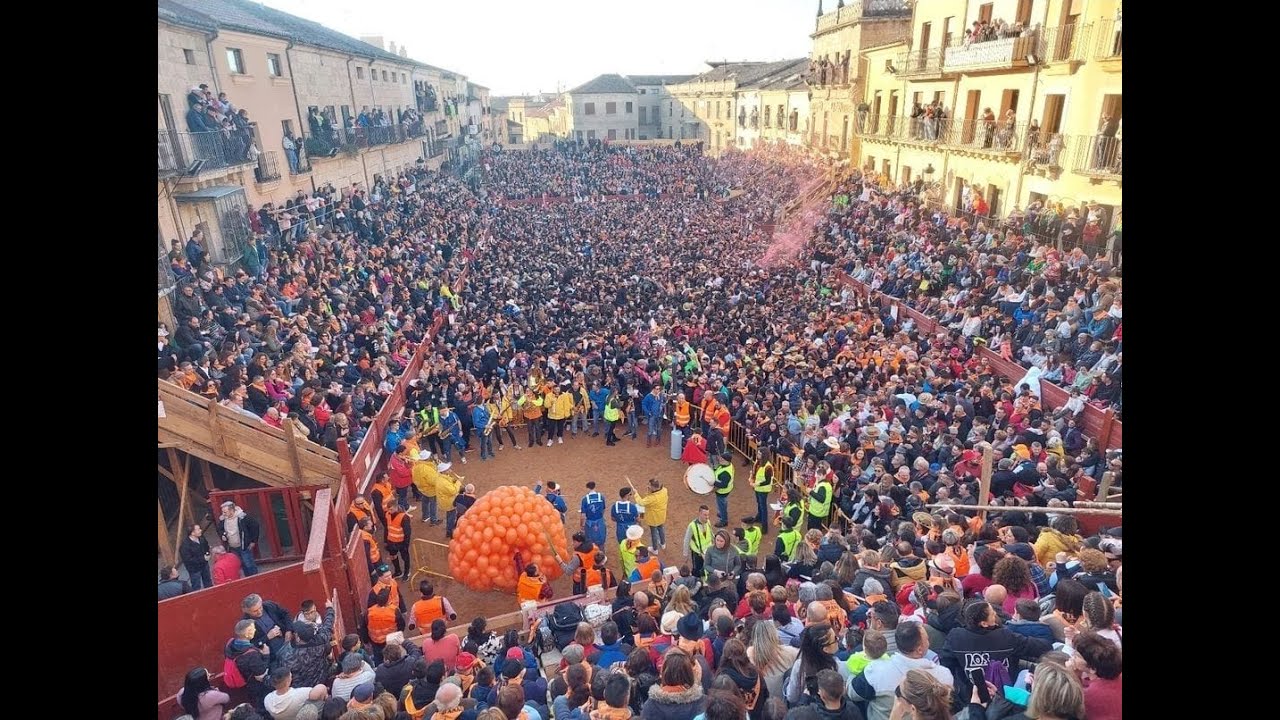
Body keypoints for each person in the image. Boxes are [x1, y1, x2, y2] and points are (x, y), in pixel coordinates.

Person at [848, 622, 950, 720]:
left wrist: (853, 669)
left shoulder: (875, 671)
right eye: (927, 639)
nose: (929, 642)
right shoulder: (945, 675)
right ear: (919, 650)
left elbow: (852, 693)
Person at [1068, 630, 1122, 720]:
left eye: (1076, 655)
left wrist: (1072, 677)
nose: (1072, 657)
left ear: (1092, 668)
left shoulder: (1088, 695)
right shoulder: (1117, 676)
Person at [641, 649, 706, 720]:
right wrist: (697, 683)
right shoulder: (702, 703)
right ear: (689, 674)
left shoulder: (651, 705)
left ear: (664, 673)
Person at [285, 599, 337, 688]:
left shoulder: (290, 654)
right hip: (320, 678)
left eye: (312, 612)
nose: (310, 615)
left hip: (304, 685)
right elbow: (327, 627)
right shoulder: (320, 644)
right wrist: (330, 609)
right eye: (307, 614)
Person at [263, 666, 328, 720]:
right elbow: (318, 691)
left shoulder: (267, 700)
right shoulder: (302, 694)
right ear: (287, 682)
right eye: (291, 677)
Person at [219, 501, 261, 576]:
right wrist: (222, 535)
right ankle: (248, 579)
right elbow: (220, 529)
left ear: (231, 510)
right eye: (222, 512)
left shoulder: (242, 518)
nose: (223, 514)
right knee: (241, 564)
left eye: (225, 512)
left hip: (243, 546)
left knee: (249, 565)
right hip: (232, 547)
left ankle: (255, 578)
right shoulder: (223, 520)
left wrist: (253, 541)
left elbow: (255, 526)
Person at [636, 478, 670, 551]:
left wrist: (636, 494)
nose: (648, 486)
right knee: (661, 528)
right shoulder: (664, 490)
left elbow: (641, 502)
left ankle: (655, 549)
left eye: (649, 485)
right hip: (661, 515)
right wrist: (650, 491)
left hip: (653, 518)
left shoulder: (651, 498)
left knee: (654, 533)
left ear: (653, 487)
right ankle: (663, 544)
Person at [384, 499, 413, 581]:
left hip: (401, 542)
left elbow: (407, 533)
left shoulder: (404, 517)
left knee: (405, 558)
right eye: (388, 509)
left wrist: (406, 545)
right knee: (393, 557)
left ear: (396, 507)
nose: (389, 511)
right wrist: (385, 541)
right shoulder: (387, 514)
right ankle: (398, 571)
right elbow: (386, 528)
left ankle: (407, 572)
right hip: (391, 541)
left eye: (391, 509)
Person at [684, 505, 714, 580]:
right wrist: (685, 554)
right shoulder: (692, 525)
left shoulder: (708, 522)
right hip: (697, 554)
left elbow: (711, 534)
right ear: (699, 513)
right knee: (697, 571)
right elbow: (687, 540)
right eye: (705, 515)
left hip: (708, 551)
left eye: (708, 515)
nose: (707, 517)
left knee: (708, 569)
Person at [180, 523, 213, 591]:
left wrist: (208, 553)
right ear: (192, 533)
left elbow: (206, 546)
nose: (200, 530)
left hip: (204, 565)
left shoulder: (201, 538)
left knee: (208, 582)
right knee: (196, 586)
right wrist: (203, 558)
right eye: (198, 529)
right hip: (194, 569)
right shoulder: (185, 546)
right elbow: (188, 560)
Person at [437, 462, 463, 539]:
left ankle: (449, 529)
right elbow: (453, 491)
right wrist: (458, 482)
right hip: (449, 502)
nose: (450, 470)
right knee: (452, 517)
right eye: (448, 469)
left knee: (449, 515)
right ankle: (450, 532)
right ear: (444, 471)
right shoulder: (443, 482)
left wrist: (454, 480)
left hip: (446, 501)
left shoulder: (441, 478)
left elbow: (449, 482)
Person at [582, 481, 609, 548]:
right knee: (601, 539)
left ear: (587, 488)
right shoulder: (601, 497)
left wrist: (582, 525)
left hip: (589, 522)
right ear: (594, 487)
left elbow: (583, 515)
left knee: (590, 540)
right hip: (600, 521)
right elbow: (603, 509)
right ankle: (602, 553)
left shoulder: (585, 499)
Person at [712, 453, 735, 528]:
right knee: (723, 503)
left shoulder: (726, 473)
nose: (720, 460)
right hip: (726, 490)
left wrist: (713, 482)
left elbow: (723, 485)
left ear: (727, 461)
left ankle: (724, 521)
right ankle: (722, 513)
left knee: (721, 505)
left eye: (722, 459)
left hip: (722, 492)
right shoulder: (728, 465)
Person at [751, 463, 774, 528]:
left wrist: (757, 484)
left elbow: (768, 481)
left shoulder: (768, 467)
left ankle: (764, 525)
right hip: (757, 489)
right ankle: (759, 517)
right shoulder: (758, 462)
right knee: (759, 503)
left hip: (763, 490)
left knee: (763, 507)